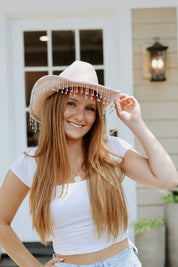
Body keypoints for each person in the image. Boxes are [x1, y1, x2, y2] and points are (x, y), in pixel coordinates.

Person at [0, 60, 177, 267]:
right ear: (56, 106)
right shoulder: (32, 163)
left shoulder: (111, 149)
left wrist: (136, 123)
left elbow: (168, 180)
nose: (80, 116)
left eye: (90, 108)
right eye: (71, 103)